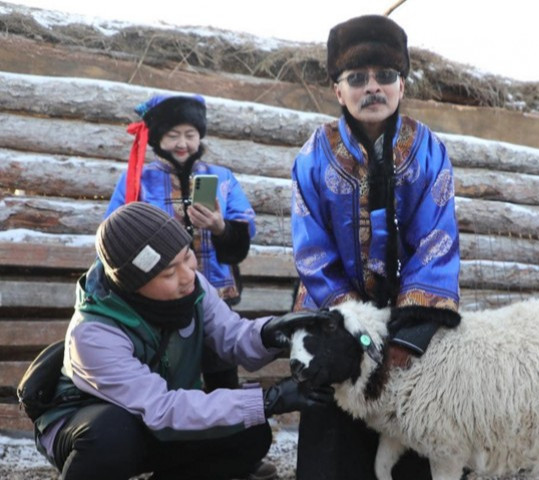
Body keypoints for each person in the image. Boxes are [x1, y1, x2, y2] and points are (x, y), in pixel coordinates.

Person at [32, 202, 332, 480]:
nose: (188, 275)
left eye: (187, 256)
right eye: (168, 273)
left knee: (251, 433)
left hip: (158, 419)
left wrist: (274, 332)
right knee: (113, 433)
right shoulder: (93, 334)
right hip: (90, 428)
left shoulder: (193, 288)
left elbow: (233, 337)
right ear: (134, 285)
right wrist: (269, 400)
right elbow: (162, 408)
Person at [290, 14, 461, 480]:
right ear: (337, 89)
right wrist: (354, 324)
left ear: (402, 86)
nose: (374, 88)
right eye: (357, 78)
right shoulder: (313, 155)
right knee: (334, 446)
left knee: (421, 431)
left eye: (386, 76)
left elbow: (436, 240)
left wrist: (408, 329)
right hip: (334, 310)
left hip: (412, 314)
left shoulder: (429, 152)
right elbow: (311, 250)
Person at [106, 93, 256, 391]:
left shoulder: (222, 178)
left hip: (217, 297)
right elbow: (116, 232)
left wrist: (220, 227)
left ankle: (225, 433)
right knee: (168, 378)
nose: (182, 143)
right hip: (158, 302)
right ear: (157, 138)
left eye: (190, 134)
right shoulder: (138, 179)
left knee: (221, 377)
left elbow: (241, 241)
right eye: (173, 135)